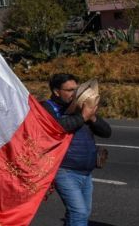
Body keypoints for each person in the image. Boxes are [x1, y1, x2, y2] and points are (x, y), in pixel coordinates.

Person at [46, 74, 112, 226]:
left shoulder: (80, 107)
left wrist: (93, 117)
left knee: (80, 213)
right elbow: (57, 127)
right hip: (64, 170)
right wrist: (82, 116)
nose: (74, 94)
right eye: (69, 90)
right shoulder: (48, 107)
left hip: (86, 172)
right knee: (79, 213)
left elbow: (107, 132)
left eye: (76, 89)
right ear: (57, 91)